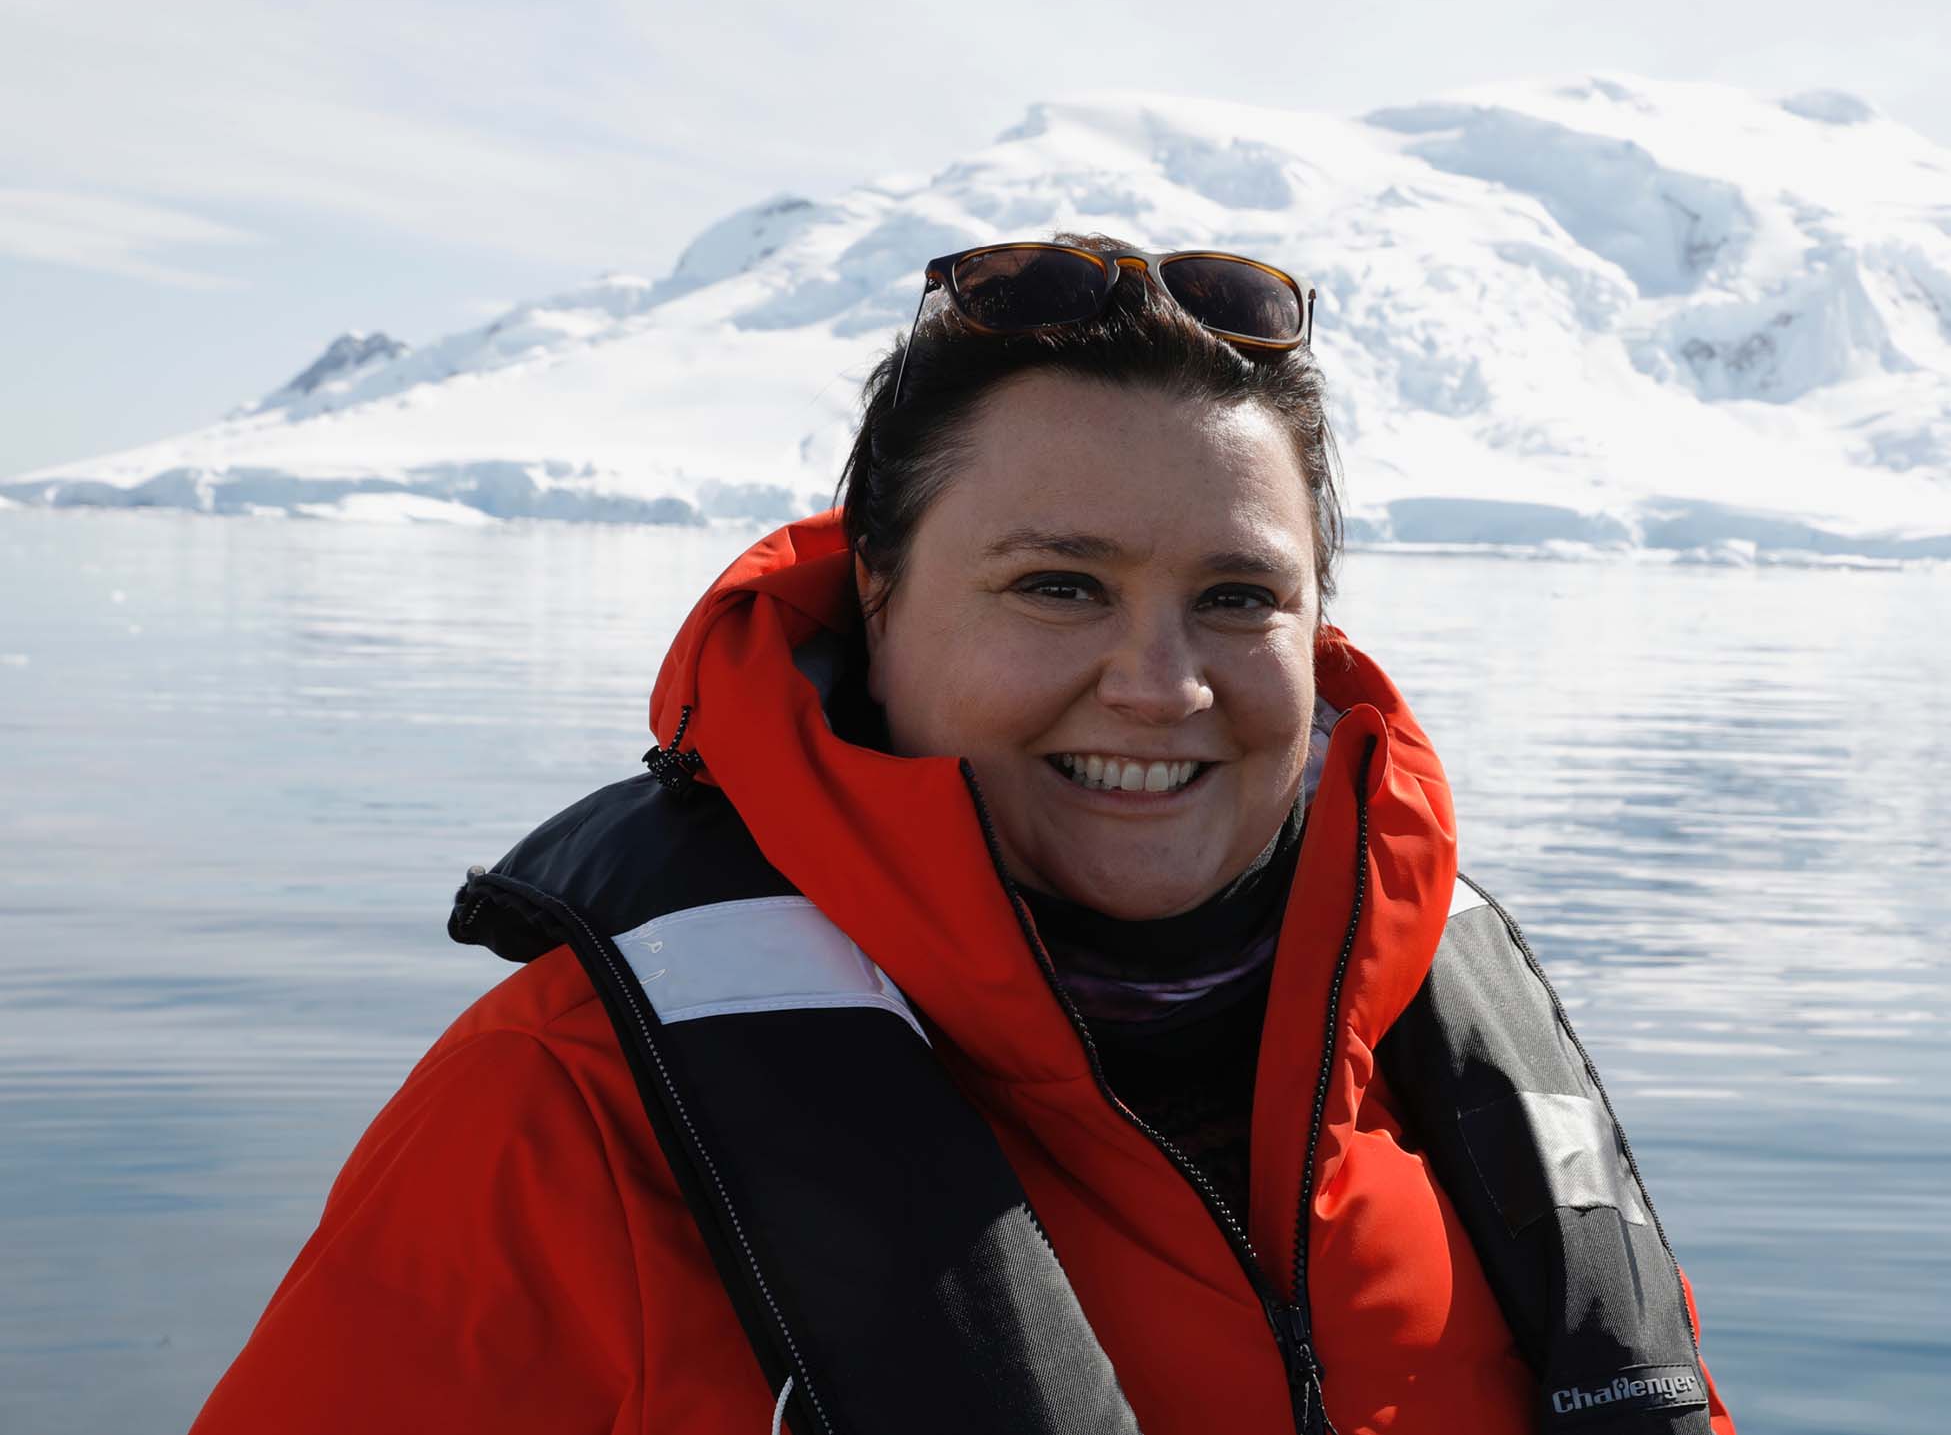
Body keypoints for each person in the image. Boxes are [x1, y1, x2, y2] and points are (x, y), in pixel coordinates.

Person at [191, 234, 1738, 1434]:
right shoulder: (573, 1110)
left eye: (1237, 595)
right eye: (1055, 584)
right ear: (876, 592)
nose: (1162, 685)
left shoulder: (1442, 1055)